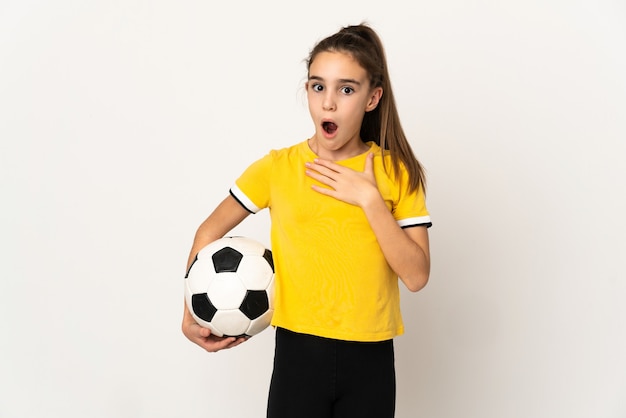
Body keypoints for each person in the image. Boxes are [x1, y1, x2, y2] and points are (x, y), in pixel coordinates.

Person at [181, 22, 432, 418]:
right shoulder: (277, 168)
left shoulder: (396, 172)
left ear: (372, 98)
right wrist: (190, 311)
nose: (328, 103)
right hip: (299, 355)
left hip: (371, 359)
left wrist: (369, 200)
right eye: (318, 87)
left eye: (346, 89)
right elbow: (208, 231)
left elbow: (417, 277)